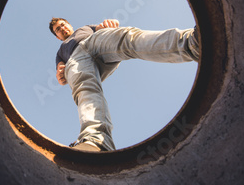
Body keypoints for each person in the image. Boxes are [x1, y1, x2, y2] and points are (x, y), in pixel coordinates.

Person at [49, 17, 200, 152]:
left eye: (63, 25)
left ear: (69, 24)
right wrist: (61, 74)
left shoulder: (86, 28)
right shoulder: (60, 52)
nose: (62, 28)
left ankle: (192, 43)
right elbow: (60, 72)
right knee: (84, 87)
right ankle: (95, 142)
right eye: (58, 30)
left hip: (94, 41)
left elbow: (103, 27)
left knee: (127, 38)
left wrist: (108, 24)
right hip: (76, 58)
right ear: (57, 37)